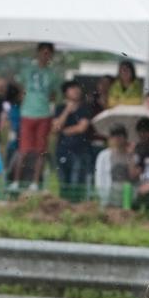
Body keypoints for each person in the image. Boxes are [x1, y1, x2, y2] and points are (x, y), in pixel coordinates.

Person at [15, 42, 58, 188]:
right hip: (27, 113)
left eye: (48, 53)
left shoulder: (53, 74)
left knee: (40, 150)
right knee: (23, 150)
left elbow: (53, 95)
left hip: (44, 115)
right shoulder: (27, 70)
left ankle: (35, 182)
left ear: (51, 55)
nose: (45, 56)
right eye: (43, 52)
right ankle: (16, 181)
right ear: (37, 53)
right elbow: (21, 90)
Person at [52, 80, 95, 201]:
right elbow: (55, 128)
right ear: (65, 92)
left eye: (77, 88)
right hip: (62, 150)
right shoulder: (60, 108)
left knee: (76, 182)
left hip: (80, 151)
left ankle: (75, 207)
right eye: (71, 88)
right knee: (63, 182)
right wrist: (67, 111)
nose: (75, 90)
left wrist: (65, 130)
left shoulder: (85, 107)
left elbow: (82, 127)